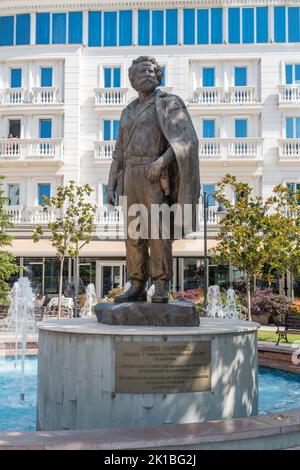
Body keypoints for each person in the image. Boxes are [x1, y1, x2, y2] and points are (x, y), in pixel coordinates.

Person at [107, 56, 200, 303]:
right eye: (141, 72)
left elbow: (185, 140)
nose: (147, 74)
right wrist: (111, 184)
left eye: (151, 71)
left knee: (159, 232)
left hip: (153, 175)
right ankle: (136, 284)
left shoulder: (169, 103)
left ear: (158, 76)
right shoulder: (127, 111)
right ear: (132, 80)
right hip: (130, 175)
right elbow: (119, 151)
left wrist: (161, 163)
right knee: (134, 234)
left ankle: (161, 284)